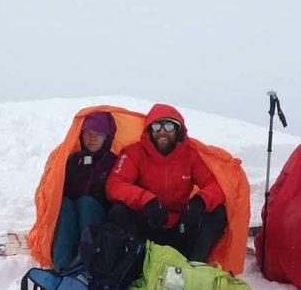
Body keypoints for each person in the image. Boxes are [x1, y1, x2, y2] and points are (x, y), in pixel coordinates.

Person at [106, 103, 227, 262]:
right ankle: (136, 263)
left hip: (180, 228)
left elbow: (217, 185)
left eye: (169, 126)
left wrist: (199, 202)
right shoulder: (133, 153)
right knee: (118, 211)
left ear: (178, 130)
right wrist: (146, 200)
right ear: (149, 130)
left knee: (217, 213)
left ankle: (193, 267)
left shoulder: (191, 155)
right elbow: (115, 185)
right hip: (147, 227)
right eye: (156, 126)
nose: (162, 131)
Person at [52, 112, 118, 271]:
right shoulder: (72, 158)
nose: (92, 138)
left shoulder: (113, 162)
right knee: (65, 204)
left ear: (107, 137)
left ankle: (88, 263)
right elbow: (54, 191)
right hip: (73, 215)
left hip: (99, 218)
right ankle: (61, 266)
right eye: (88, 133)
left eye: (98, 134)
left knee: (86, 203)